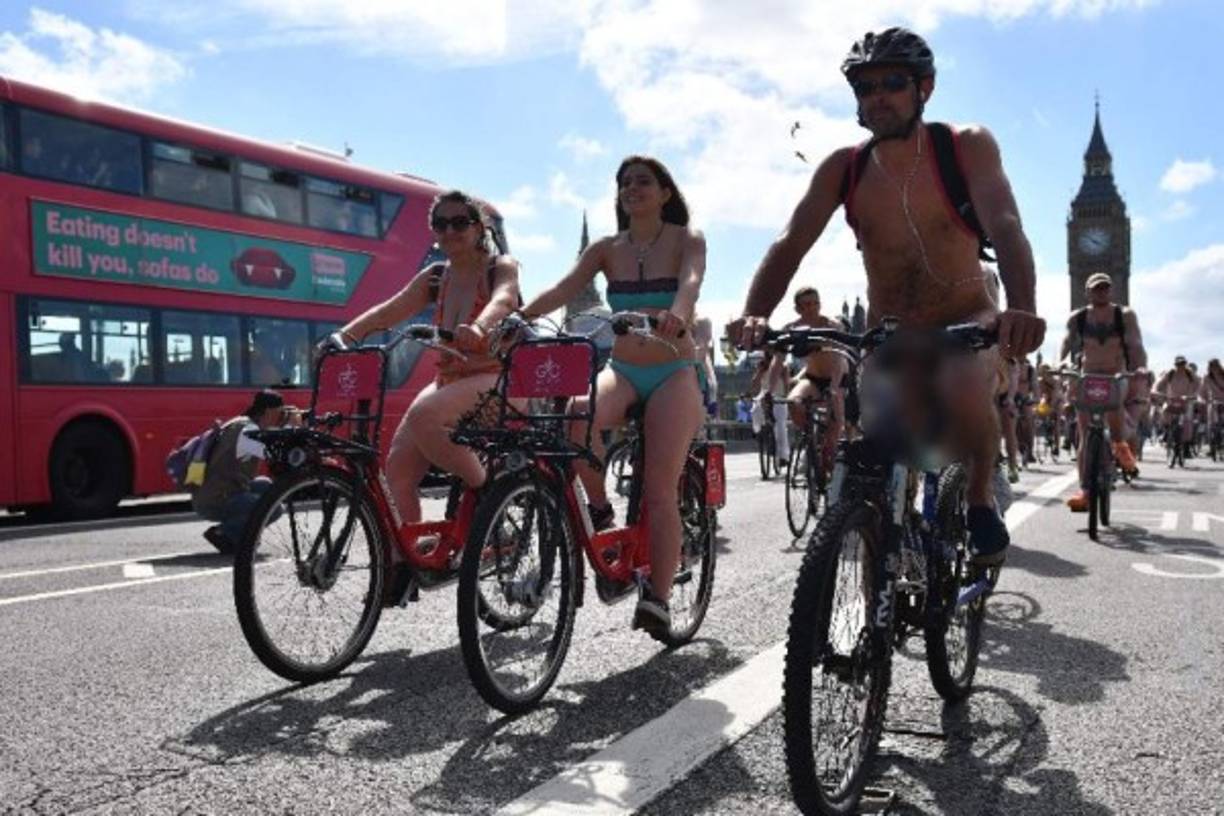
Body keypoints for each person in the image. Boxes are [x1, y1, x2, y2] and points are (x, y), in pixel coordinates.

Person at [731, 27, 1044, 566]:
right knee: (876, 446)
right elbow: (790, 243)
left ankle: (979, 500)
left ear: (924, 88)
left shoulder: (965, 146)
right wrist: (754, 314)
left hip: (966, 318)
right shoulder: (844, 168)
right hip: (890, 331)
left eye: (893, 83)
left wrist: (1022, 308)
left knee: (964, 383)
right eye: (865, 87)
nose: (878, 97)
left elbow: (1006, 225)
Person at [520, 155, 707, 638]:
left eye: (643, 181)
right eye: (625, 183)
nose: (632, 189)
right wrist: (518, 318)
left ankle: (658, 598)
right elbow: (563, 288)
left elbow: (689, 284)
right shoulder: (606, 248)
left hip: (672, 371)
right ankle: (601, 510)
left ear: (665, 192)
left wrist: (678, 313)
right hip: (622, 370)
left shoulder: (686, 239)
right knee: (576, 415)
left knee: (659, 490)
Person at [329, 190, 521, 526]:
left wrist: (480, 326)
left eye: (459, 222)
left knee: (424, 416)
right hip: (448, 381)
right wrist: (344, 336)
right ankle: (409, 551)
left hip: (497, 381)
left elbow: (504, 299)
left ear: (479, 228)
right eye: (440, 224)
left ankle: (490, 498)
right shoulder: (436, 276)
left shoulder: (498, 266)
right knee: (397, 470)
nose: (449, 231)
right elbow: (390, 311)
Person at [1057, 272, 1146, 509]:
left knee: (1115, 423)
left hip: (1115, 375)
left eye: (1105, 288)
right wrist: (1061, 362)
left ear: (1111, 290)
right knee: (1085, 435)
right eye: (1096, 288)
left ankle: (1121, 448)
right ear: (1087, 292)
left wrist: (1139, 368)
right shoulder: (1078, 317)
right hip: (1087, 376)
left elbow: (1135, 344)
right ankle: (1085, 491)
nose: (1101, 292)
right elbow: (1066, 342)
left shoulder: (1124, 315)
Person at [194, 389, 300, 553]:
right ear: (268, 412)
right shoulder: (247, 432)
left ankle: (237, 533)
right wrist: (291, 427)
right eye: (279, 414)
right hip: (215, 500)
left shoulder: (241, 423)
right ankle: (225, 533)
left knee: (266, 484)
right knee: (274, 508)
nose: (281, 418)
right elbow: (276, 455)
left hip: (214, 491)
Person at [784, 287, 849, 480]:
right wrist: (766, 390)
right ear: (797, 309)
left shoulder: (832, 326)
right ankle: (809, 441)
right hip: (813, 378)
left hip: (837, 377)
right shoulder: (793, 328)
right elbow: (777, 360)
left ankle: (829, 454)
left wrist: (834, 387)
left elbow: (838, 360)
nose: (812, 308)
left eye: (815, 303)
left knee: (835, 426)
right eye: (806, 304)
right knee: (793, 402)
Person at [751, 349, 790, 471]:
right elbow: (754, 383)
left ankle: (783, 456)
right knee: (755, 409)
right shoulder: (761, 366)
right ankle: (758, 430)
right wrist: (759, 372)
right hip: (764, 395)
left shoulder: (783, 366)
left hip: (779, 396)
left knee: (780, 427)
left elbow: (786, 384)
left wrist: (787, 398)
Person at [1154, 355, 1199, 452]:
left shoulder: (1190, 374)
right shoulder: (1170, 373)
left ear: (1185, 364)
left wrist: (1193, 396)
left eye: (1182, 364)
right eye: (1178, 364)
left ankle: (1186, 446)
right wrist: (1158, 392)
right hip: (1171, 400)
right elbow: (1159, 385)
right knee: (1164, 412)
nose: (1180, 366)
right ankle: (1166, 432)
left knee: (1187, 422)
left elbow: (1199, 386)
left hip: (1186, 401)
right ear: (1175, 365)